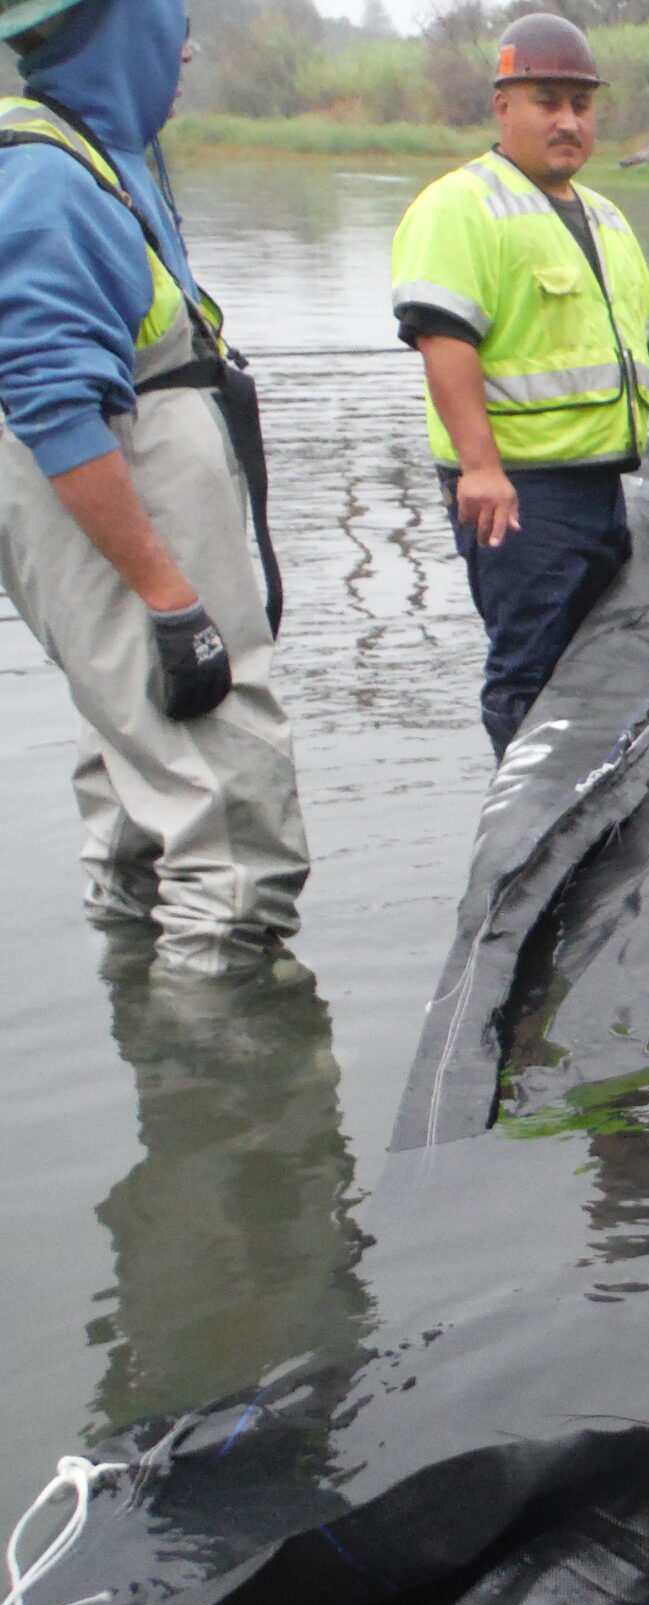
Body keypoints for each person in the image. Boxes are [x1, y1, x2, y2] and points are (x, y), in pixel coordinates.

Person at [0, 0, 309, 976]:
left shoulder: (104, 154)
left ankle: (151, 1033)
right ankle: (234, 1106)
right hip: (132, 537)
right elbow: (50, 401)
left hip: (140, 531)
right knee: (230, 843)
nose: (185, 47)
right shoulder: (47, 175)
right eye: (167, 24)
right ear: (115, 34)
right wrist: (170, 598)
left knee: (144, 807)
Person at [388, 14, 649, 755]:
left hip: (596, 487)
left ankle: (594, 807)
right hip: (520, 498)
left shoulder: (608, 219)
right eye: (546, 101)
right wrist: (482, 469)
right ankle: (531, 841)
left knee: (594, 664)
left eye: (581, 107)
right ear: (503, 106)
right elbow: (443, 341)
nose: (567, 122)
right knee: (530, 670)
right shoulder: (462, 206)